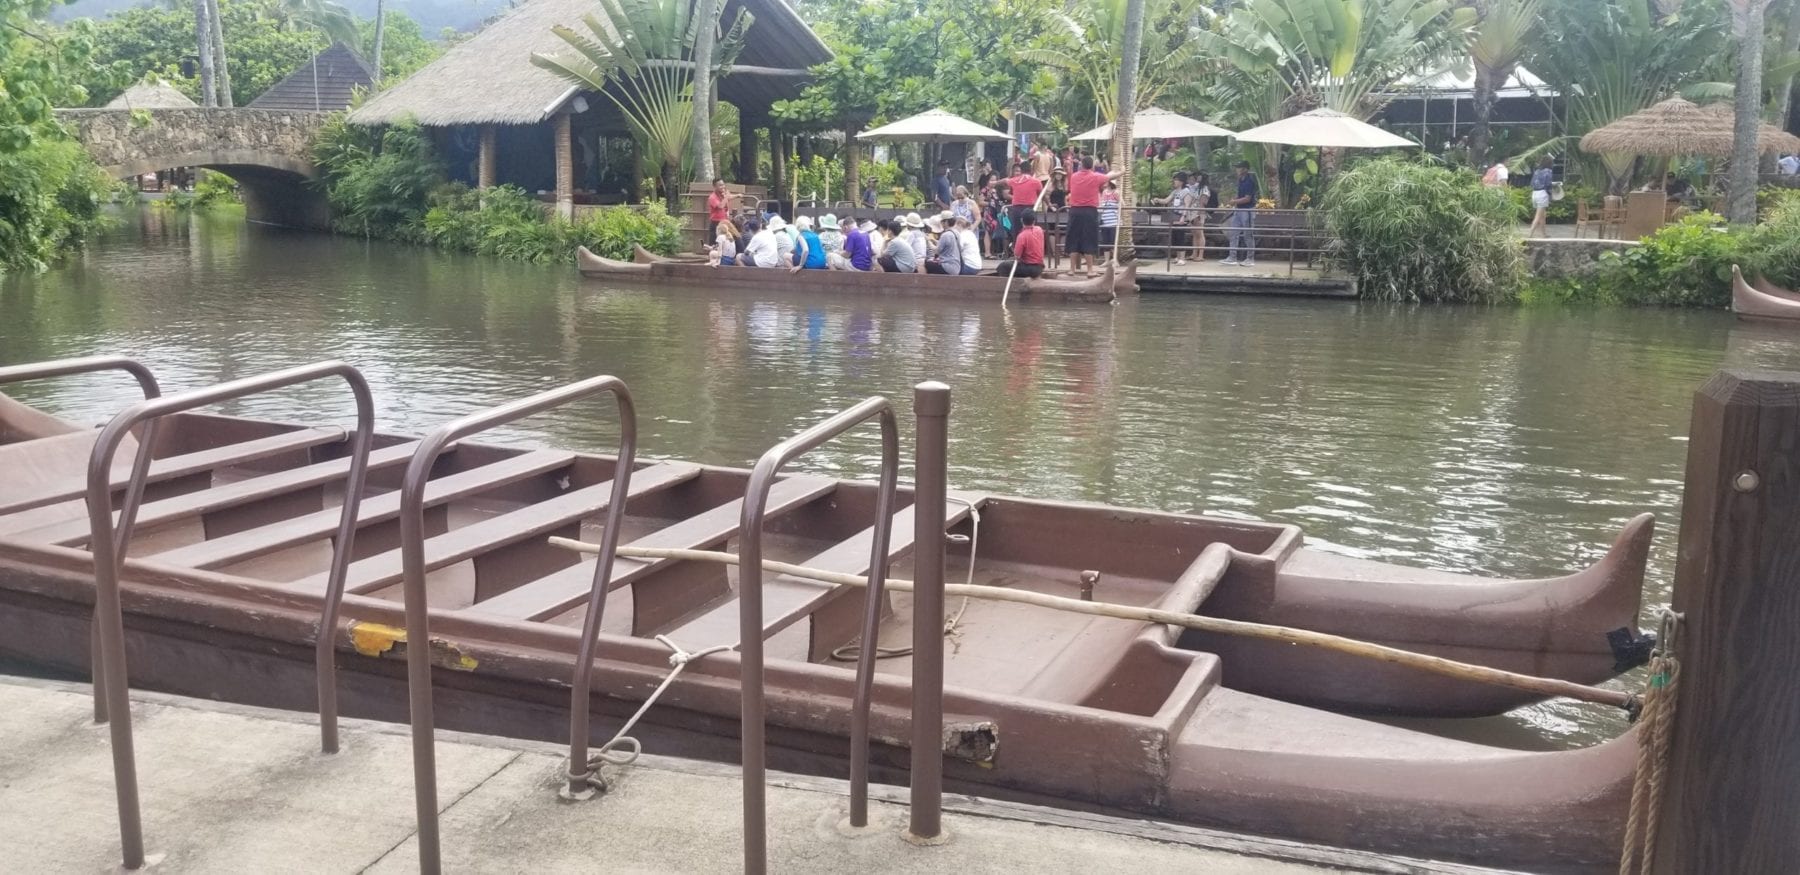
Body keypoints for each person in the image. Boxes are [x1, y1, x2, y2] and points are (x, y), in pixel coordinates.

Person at [1064, 156, 1126, 278]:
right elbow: (1110, 177)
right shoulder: (1095, 176)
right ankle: (1090, 270)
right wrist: (1122, 171)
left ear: (1081, 165)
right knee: (1089, 239)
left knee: (1073, 238)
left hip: (1075, 211)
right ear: (1092, 166)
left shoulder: (1074, 176)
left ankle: (1072, 269)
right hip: (1089, 211)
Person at [1151, 171, 1199, 266]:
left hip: (1181, 215)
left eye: (1176, 180)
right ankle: (1178, 256)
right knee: (1175, 237)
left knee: (1180, 236)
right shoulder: (1175, 191)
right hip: (1174, 215)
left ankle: (1182, 258)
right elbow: (1166, 200)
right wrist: (1158, 200)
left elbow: (1187, 205)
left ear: (1181, 182)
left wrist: (1183, 217)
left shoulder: (1186, 192)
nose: (1174, 182)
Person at [1223, 160, 1259, 267]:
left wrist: (1234, 201)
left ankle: (1250, 258)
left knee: (1248, 234)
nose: (1237, 169)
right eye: (1237, 167)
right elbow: (1241, 196)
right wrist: (1235, 200)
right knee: (1233, 233)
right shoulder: (1240, 180)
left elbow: (1248, 199)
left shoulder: (1249, 181)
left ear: (1245, 169)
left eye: (1239, 167)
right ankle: (1232, 257)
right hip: (1238, 210)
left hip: (1247, 210)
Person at [992, 209, 1045, 278]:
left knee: (1002, 266)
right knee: (1012, 264)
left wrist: (1013, 249)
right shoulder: (1039, 230)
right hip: (1039, 267)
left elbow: (1017, 256)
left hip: (1030, 268)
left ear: (1021, 220)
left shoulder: (1022, 236)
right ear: (1034, 221)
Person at [1006, 161, 1045, 252]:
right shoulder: (1036, 181)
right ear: (1030, 170)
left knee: (1017, 231)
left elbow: (1005, 181)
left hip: (1017, 209)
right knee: (1031, 230)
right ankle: (1031, 250)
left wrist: (994, 183)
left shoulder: (1015, 180)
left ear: (1021, 170)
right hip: (1030, 208)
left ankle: (1017, 251)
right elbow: (1041, 195)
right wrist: (1049, 204)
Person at [1528, 156, 1554, 240]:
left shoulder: (1537, 171)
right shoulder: (1548, 171)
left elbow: (1532, 183)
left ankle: (1544, 234)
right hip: (1542, 194)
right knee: (1538, 216)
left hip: (1535, 193)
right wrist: (1551, 195)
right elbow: (1548, 184)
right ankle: (1530, 234)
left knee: (1543, 215)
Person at [1099, 179, 1121, 250]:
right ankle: (1107, 260)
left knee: (1112, 241)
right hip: (1104, 220)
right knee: (1105, 241)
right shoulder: (1104, 192)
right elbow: (1101, 205)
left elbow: (1122, 204)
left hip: (1113, 221)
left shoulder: (1116, 193)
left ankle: (1114, 258)